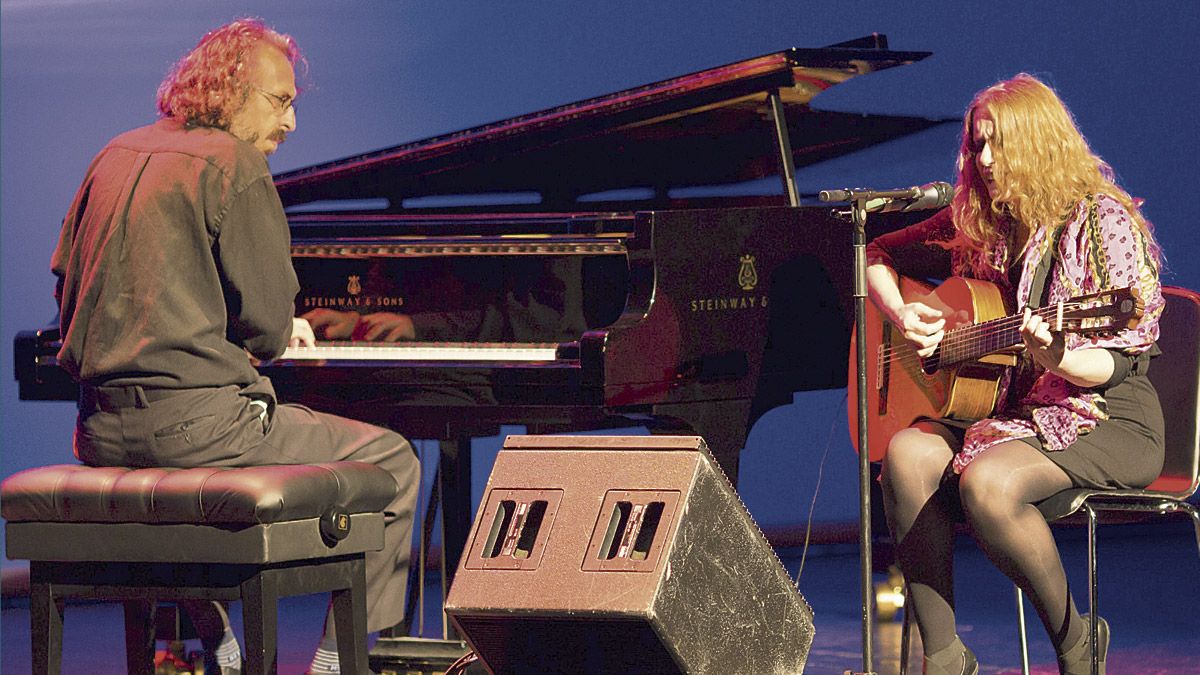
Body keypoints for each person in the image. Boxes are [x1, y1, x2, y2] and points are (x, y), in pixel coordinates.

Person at [50, 18, 420, 675]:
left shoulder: (112, 154)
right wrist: (265, 335)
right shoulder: (236, 166)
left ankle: (210, 630)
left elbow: (66, 285)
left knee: (183, 469)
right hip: (201, 432)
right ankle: (338, 661)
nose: (291, 123)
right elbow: (269, 330)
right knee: (393, 461)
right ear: (230, 91)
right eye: (281, 101)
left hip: (99, 431)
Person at [865, 73, 1164, 675]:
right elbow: (876, 250)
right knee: (904, 454)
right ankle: (946, 659)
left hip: (1107, 414)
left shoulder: (1101, 224)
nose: (984, 159)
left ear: (1039, 143)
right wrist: (903, 314)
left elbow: (1121, 356)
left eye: (997, 144)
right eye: (976, 145)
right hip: (1012, 413)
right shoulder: (983, 222)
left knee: (988, 485)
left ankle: (1079, 643)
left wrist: (1056, 356)